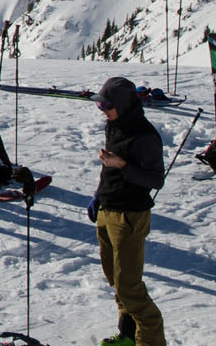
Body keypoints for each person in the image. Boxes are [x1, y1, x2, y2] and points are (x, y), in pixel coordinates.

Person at [90, 75, 166, 346]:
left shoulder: (144, 136)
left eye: (106, 106)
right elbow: (109, 168)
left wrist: (122, 166)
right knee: (117, 282)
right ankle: (127, 335)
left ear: (121, 104)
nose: (102, 111)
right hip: (107, 211)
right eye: (100, 106)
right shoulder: (115, 125)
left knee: (130, 288)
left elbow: (156, 179)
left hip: (129, 217)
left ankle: (150, 340)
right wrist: (98, 197)